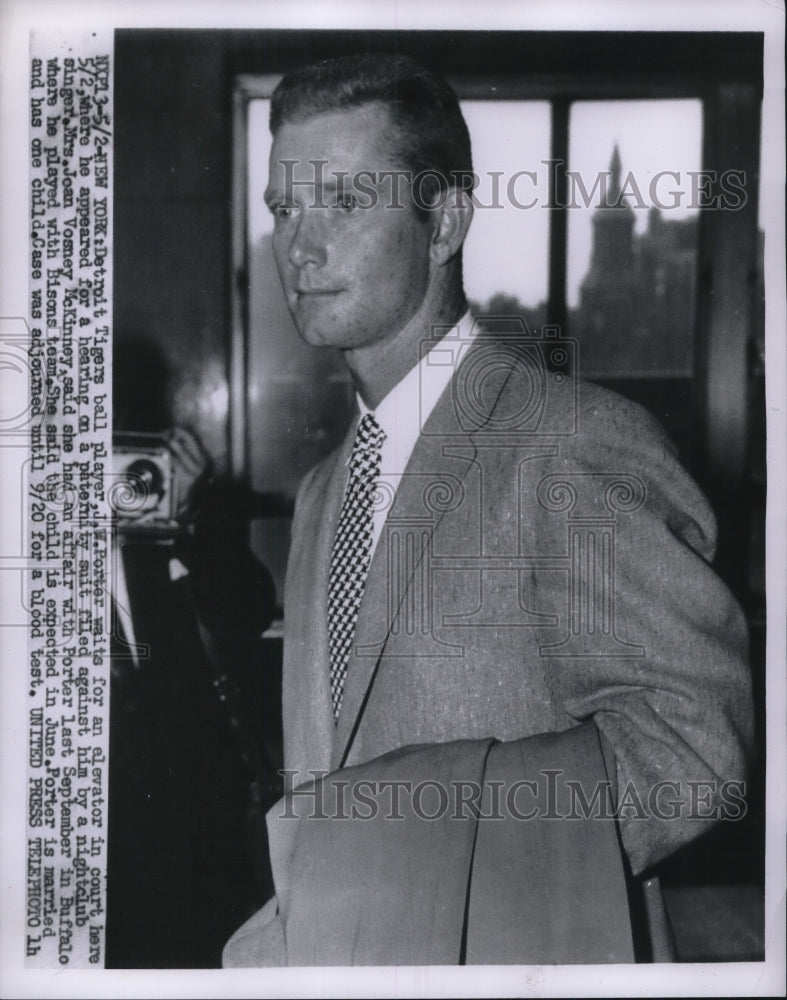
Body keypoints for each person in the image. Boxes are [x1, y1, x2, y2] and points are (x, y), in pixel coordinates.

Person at [223, 52, 753, 966]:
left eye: (344, 202)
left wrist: (410, 880)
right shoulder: (322, 493)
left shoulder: (574, 443)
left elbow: (693, 751)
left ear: (446, 222)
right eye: (283, 208)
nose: (299, 246)